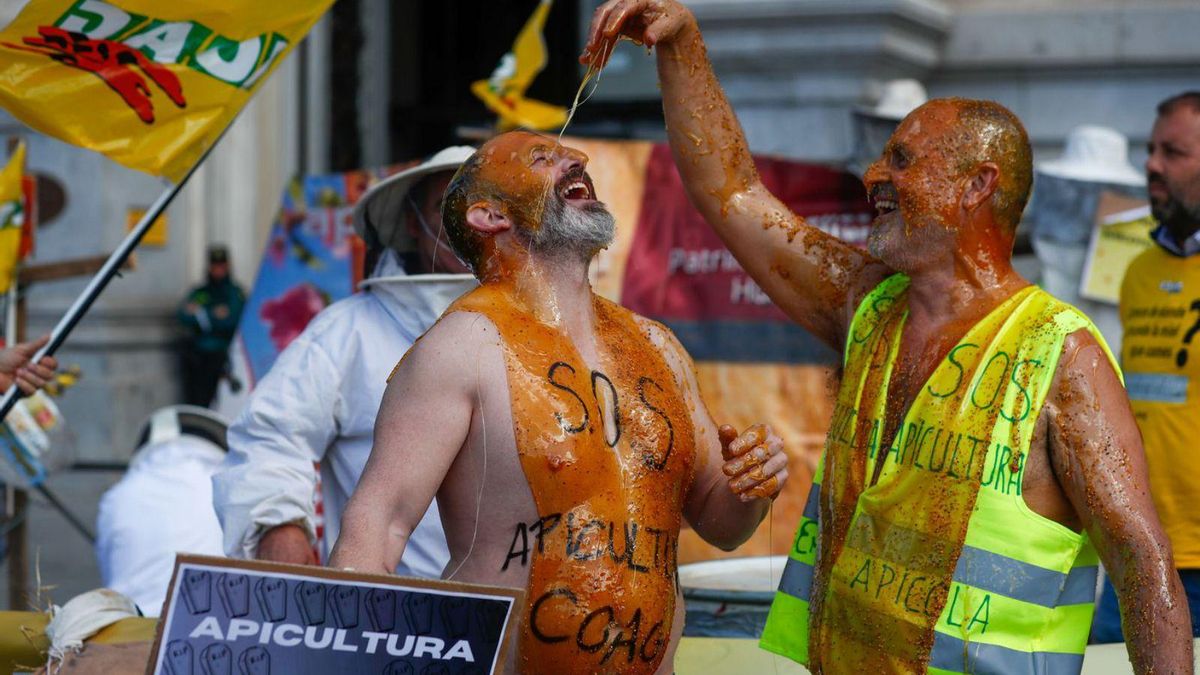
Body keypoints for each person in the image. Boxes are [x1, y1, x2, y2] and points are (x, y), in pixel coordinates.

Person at [581, 1, 1192, 672]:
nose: (875, 176)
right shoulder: (866, 303)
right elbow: (732, 194)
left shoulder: (1060, 355)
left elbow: (1141, 561)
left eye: (901, 160)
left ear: (975, 187)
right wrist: (682, 45)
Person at [329, 131, 790, 674]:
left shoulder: (657, 346)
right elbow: (376, 529)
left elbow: (721, 525)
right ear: (489, 216)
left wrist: (752, 483)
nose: (578, 158)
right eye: (543, 159)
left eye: (567, 154)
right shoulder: (460, 347)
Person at [211, 147, 477, 577]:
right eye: (447, 206)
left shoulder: (560, 331)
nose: (468, 221)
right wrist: (278, 526)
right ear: (412, 223)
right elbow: (271, 437)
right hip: (389, 621)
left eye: (486, 206)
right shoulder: (347, 332)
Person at [1098, 91, 1200, 644]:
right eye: (1151, 149)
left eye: (1174, 152)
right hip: (1141, 551)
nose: (1152, 165)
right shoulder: (1138, 270)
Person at [95, 405, 227, 614]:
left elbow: (110, 570)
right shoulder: (228, 489)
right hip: (212, 628)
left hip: (129, 628)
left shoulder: (117, 496)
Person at [177, 246, 245, 406]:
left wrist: (201, 315)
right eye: (214, 266)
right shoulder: (202, 292)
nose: (218, 270)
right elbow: (184, 315)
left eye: (221, 266)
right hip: (198, 357)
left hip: (221, 356)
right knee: (197, 400)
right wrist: (212, 315)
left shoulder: (234, 293)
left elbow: (231, 321)